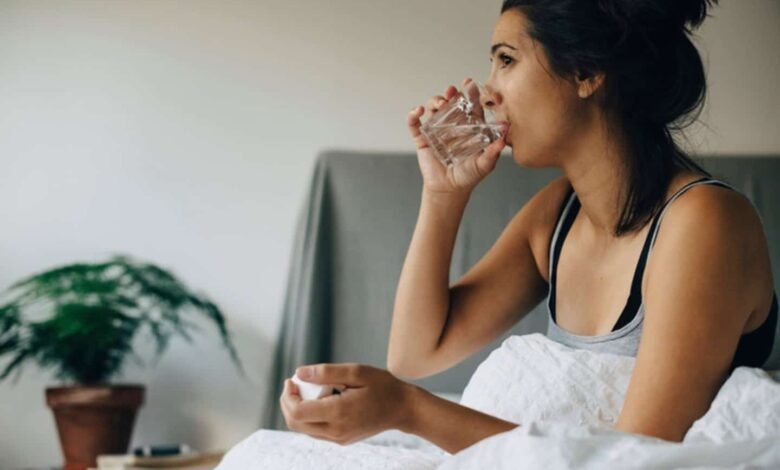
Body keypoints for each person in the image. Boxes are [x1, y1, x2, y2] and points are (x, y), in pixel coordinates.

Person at [279, 0, 777, 454]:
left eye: (506, 59)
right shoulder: (557, 214)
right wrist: (443, 195)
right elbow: (415, 354)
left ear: (585, 72)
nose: (487, 91)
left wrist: (409, 410)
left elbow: (636, 458)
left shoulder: (704, 223)